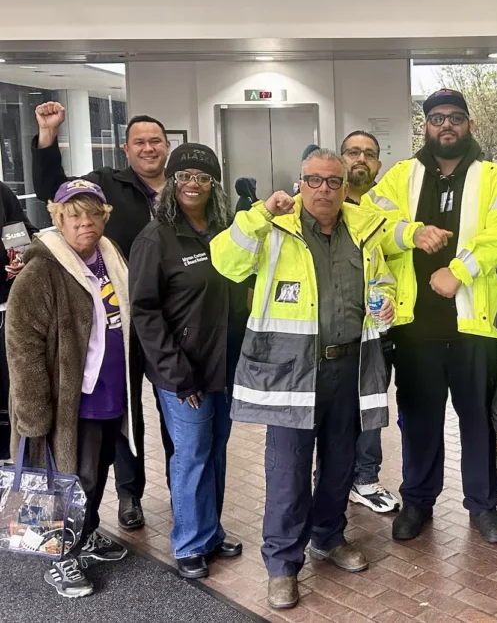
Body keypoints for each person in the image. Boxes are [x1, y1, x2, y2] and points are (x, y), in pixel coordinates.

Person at [211, 148, 395, 610]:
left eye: (334, 182)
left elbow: (383, 281)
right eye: (314, 180)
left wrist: (386, 302)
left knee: (340, 464)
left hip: (349, 369)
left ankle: (329, 538)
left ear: (345, 189)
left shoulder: (365, 233)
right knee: (288, 472)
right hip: (294, 371)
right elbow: (226, 262)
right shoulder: (274, 229)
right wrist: (257, 214)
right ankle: (281, 564)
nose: (324, 190)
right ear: (300, 183)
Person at [364, 89, 497, 543]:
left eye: (455, 117)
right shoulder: (400, 176)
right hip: (415, 328)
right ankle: (417, 501)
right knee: (419, 421)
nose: (447, 125)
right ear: (426, 127)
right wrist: (412, 234)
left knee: (477, 420)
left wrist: (458, 272)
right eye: (437, 118)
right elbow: (372, 225)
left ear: (470, 125)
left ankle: (483, 505)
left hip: (474, 326)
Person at [32, 102, 177, 530]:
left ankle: (180, 493)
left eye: (155, 141)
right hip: (125, 320)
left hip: (176, 324)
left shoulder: (185, 187)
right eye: (139, 143)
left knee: (177, 416)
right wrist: (46, 135)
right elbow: (52, 189)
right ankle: (130, 496)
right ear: (125, 149)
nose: (148, 149)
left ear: (167, 146)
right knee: (124, 411)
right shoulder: (106, 185)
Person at [7, 180, 141, 598]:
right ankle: (59, 556)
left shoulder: (109, 254)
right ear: (58, 218)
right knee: (68, 476)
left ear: (104, 216)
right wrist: (32, 412)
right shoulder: (42, 269)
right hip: (69, 400)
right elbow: (22, 341)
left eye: (94, 214)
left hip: (109, 389)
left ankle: (85, 532)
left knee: (97, 470)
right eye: (74, 215)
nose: (86, 222)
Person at [129, 144, 247, 579]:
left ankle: (210, 532)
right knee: (192, 454)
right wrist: (178, 375)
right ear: (171, 183)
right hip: (181, 371)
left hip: (222, 366)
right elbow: (144, 311)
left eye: (201, 176)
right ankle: (190, 542)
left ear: (213, 184)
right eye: (184, 176)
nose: (192, 184)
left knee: (215, 450)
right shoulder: (155, 238)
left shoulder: (224, 230)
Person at [338, 130, 399, 514]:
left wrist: (388, 300)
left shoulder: (389, 207)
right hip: (329, 331)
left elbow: (391, 267)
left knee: (371, 404)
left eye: (369, 154)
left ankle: (365, 479)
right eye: (353, 152)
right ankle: (331, 476)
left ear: (378, 164)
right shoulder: (322, 201)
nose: (361, 158)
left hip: (375, 329)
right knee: (334, 410)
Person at [0, 182, 38, 461]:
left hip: (5, 311)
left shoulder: (1, 192)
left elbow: (23, 233)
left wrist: (23, 256)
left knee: (9, 395)